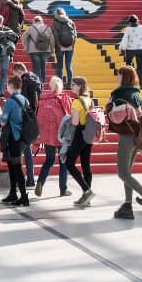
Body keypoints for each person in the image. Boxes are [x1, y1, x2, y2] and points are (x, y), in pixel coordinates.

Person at [108, 66, 142, 220]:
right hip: (137, 136)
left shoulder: (119, 94)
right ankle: (128, 205)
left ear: (124, 76)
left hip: (126, 136)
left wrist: (109, 107)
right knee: (127, 173)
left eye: (119, 75)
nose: (117, 77)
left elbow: (116, 116)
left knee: (122, 173)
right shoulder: (137, 94)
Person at [34, 77, 71, 198]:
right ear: (60, 87)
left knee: (49, 160)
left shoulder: (43, 100)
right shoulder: (63, 99)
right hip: (61, 135)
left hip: (47, 136)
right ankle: (63, 189)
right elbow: (69, 115)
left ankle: (40, 181)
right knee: (63, 162)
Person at [0, 75, 31, 206]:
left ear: (11, 86)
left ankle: (24, 197)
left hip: (13, 137)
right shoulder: (24, 100)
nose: (7, 86)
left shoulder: (10, 101)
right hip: (23, 138)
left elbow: (3, 120)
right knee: (13, 166)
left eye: (7, 84)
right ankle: (13, 193)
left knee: (16, 167)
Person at [64, 77, 95, 206]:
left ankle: (86, 190)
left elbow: (75, 122)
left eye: (74, 84)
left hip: (79, 134)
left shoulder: (77, 101)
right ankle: (87, 196)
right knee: (85, 164)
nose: (72, 86)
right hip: (89, 134)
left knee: (69, 162)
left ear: (80, 86)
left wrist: (68, 120)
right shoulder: (90, 100)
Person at [118, 14, 142, 88]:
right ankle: (141, 85)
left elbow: (125, 39)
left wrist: (121, 48)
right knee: (140, 66)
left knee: (129, 66)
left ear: (129, 22)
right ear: (137, 21)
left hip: (131, 49)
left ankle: (129, 83)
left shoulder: (128, 29)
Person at [23, 15, 54, 82]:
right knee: (43, 67)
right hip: (45, 50)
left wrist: (26, 46)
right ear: (41, 21)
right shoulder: (47, 28)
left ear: (34, 21)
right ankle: (42, 82)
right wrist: (52, 49)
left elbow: (24, 37)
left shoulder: (31, 27)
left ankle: (37, 83)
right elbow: (52, 39)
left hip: (34, 50)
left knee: (36, 68)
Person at [51, 8, 77, 85]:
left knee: (59, 66)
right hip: (70, 46)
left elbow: (55, 36)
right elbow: (75, 34)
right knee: (68, 65)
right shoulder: (70, 21)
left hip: (59, 47)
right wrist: (72, 45)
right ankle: (70, 84)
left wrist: (59, 46)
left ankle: (60, 85)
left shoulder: (55, 23)